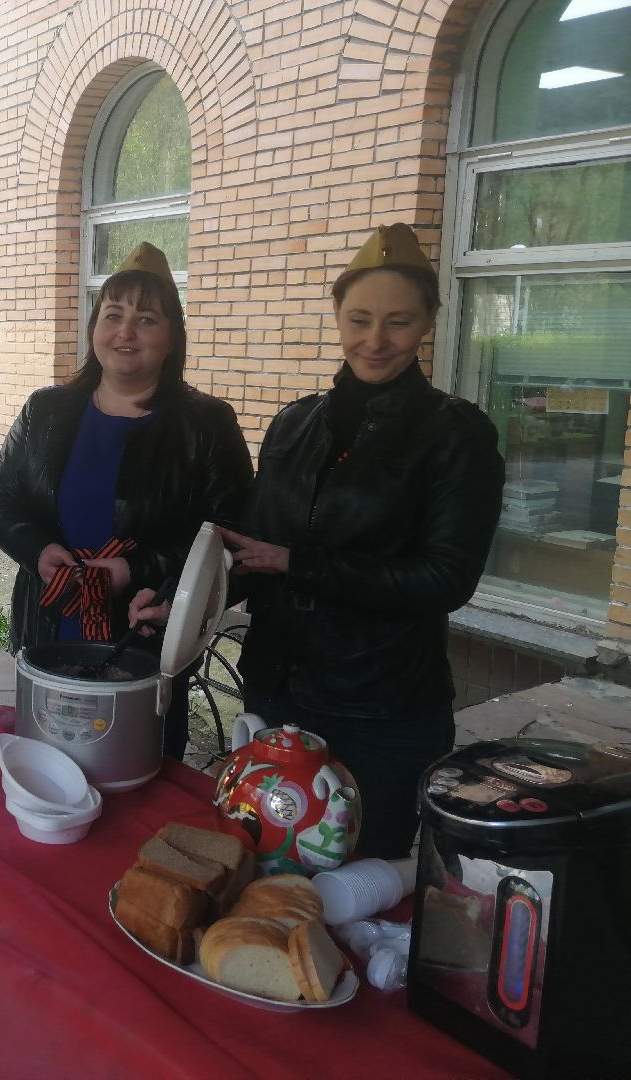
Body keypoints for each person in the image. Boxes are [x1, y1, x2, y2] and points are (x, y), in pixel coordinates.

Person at [209, 223, 505, 859]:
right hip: (275, 691)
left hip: (381, 708)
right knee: (265, 868)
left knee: (366, 884)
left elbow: (446, 578)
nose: (376, 340)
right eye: (360, 318)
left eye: (398, 321)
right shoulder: (293, 424)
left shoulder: (456, 435)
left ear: (427, 321)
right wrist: (191, 598)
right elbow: (259, 551)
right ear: (338, 315)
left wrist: (303, 564)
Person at [0, 242, 253, 761]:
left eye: (146, 319)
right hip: (47, 626)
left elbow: (231, 540)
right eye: (113, 314)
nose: (125, 332)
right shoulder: (47, 410)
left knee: (137, 780)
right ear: (94, 328)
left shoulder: (206, 425)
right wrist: (37, 550)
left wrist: (137, 569)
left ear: (172, 337)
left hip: (143, 640)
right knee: (46, 772)